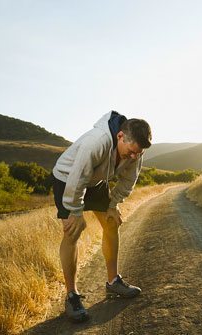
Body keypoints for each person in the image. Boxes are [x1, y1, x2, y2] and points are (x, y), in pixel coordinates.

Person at [52, 110, 152, 322]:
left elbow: (128, 181)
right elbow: (78, 177)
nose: (134, 157)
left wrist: (113, 205)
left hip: (96, 181)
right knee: (73, 231)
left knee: (111, 222)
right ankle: (72, 296)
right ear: (120, 137)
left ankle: (113, 281)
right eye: (132, 151)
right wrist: (76, 211)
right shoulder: (96, 142)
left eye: (138, 153)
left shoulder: (136, 151)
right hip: (68, 178)